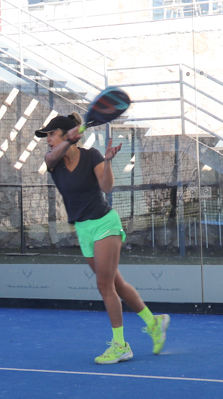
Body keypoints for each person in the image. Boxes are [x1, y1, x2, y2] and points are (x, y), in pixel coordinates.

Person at [36, 114, 169, 364]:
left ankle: (120, 346)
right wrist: (69, 140)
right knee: (116, 284)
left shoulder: (92, 156)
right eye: (47, 136)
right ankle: (154, 322)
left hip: (105, 224)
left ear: (66, 133)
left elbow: (106, 187)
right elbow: (52, 157)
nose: (48, 139)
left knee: (104, 286)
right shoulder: (52, 161)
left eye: (52, 134)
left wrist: (107, 161)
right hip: (83, 229)